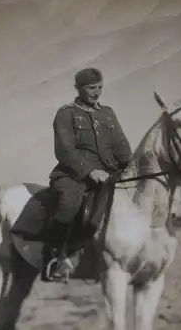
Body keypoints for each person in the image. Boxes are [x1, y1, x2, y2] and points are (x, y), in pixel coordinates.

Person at [46, 67, 133, 278]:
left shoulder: (108, 113)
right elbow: (64, 150)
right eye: (91, 88)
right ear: (78, 88)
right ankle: (55, 256)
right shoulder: (66, 113)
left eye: (100, 87)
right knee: (69, 202)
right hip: (73, 174)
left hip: (110, 172)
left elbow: (120, 144)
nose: (97, 92)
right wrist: (90, 171)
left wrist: (130, 167)